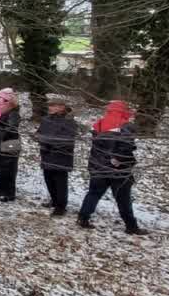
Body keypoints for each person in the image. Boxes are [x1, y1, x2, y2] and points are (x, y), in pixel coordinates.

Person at [77, 101, 147, 235]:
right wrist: (118, 160)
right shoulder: (125, 126)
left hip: (98, 166)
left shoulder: (99, 124)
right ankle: (131, 226)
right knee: (123, 198)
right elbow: (126, 146)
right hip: (118, 170)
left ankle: (83, 218)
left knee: (93, 193)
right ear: (123, 111)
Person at [37, 97, 80, 217]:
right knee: (48, 180)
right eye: (49, 105)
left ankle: (61, 207)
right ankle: (54, 201)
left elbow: (67, 140)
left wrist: (50, 144)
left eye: (53, 105)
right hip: (46, 154)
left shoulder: (69, 122)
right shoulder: (46, 119)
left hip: (61, 156)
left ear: (62, 107)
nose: (50, 107)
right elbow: (40, 133)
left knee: (60, 183)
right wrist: (39, 138)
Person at [0, 87, 21, 202]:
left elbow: (10, 128)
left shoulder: (13, 112)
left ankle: (10, 193)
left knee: (9, 168)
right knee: (1, 166)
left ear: (7, 100)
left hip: (10, 142)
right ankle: (2, 189)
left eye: (1, 98)